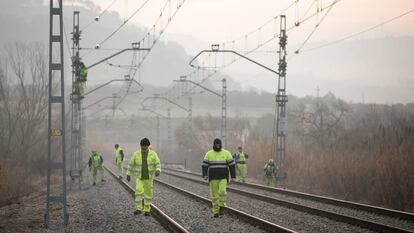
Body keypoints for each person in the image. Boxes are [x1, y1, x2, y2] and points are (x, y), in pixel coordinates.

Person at [202, 138, 236, 218]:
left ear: (221, 145)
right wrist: (205, 175)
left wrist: (233, 176)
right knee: (214, 195)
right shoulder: (209, 154)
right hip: (213, 178)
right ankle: (216, 211)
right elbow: (204, 165)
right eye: (216, 144)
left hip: (223, 177)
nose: (217, 146)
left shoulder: (226, 153)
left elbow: (232, 165)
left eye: (219, 144)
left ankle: (221, 206)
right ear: (213, 145)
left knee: (222, 191)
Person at [126, 138, 161, 216]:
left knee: (148, 194)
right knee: (138, 191)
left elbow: (157, 163)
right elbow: (131, 164)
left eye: (145, 146)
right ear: (140, 146)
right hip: (139, 177)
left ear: (148, 146)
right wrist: (128, 174)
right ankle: (138, 208)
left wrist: (158, 170)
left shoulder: (153, 154)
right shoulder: (136, 154)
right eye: (142, 146)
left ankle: (147, 209)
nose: (144, 148)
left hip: (149, 178)